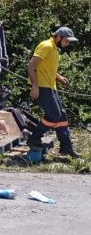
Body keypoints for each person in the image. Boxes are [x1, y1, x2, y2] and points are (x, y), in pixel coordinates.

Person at [27, 26, 79, 157]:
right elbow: (31, 65)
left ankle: (66, 147)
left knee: (61, 116)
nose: (67, 44)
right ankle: (34, 138)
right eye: (66, 41)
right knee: (55, 115)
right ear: (59, 37)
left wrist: (59, 77)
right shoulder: (46, 46)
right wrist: (35, 85)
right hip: (42, 87)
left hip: (51, 86)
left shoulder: (54, 49)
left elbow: (47, 68)